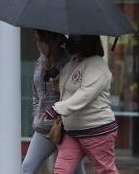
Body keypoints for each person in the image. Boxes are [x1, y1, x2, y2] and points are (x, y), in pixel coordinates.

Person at [45, 35, 118, 174]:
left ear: (87, 42)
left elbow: (84, 94)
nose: (70, 41)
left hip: (97, 130)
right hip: (73, 131)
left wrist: (57, 109)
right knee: (61, 171)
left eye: (75, 38)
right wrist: (52, 71)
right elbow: (67, 86)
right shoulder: (75, 61)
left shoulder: (97, 66)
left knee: (106, 171)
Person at [21, 30, 85, 174]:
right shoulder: (39, 62)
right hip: (44, 128)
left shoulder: (69, 61)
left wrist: (55, 75)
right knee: (27, 167)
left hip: (66, 128)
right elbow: (36, 94)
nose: (38, 44)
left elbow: (77, 94)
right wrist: (38, 115)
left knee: (74, 171)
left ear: (50, 41)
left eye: (40, 40)